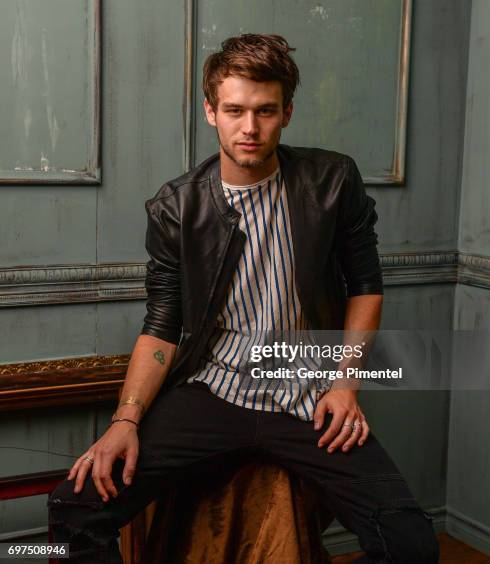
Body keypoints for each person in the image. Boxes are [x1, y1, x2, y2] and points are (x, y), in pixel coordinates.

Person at [48, 34, 439, 563]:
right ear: (211, 112)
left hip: (309, 396)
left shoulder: (331, 180)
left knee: (410, 543)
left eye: (265, 111)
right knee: (76, 507)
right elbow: (162, 325)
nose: (249, 128)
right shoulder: (176, 208)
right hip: (216, 390)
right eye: (234, 110)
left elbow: (365, 286)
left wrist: (346, 384)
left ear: (287, 113)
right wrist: (126, 419)